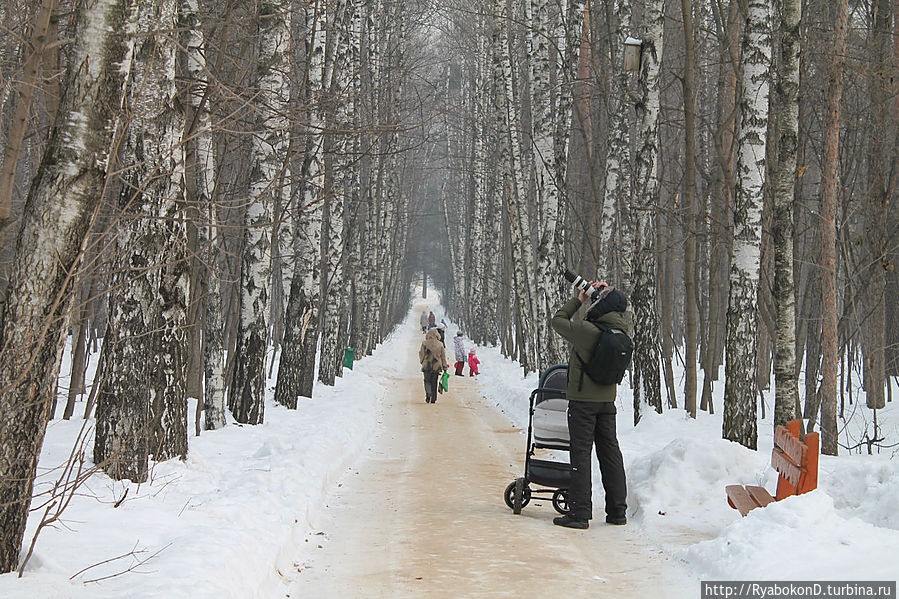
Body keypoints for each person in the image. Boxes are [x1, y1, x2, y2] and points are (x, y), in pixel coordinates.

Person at [549, 280, 632, 529]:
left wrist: (580, 300)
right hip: (607, 403)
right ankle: (618, 512)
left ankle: (580, 513)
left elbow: (558, 320)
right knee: (610, 454)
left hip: (583, 403)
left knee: (581, 455)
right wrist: (602, 296)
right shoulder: (621, 331)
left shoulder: (586, 331)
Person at [419, 328, 447, 404]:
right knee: (434, 382)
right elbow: (443, 356)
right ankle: (433, 398)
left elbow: (421, 354)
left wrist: (422, 361)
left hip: (427, 365)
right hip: (436, 366)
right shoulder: (440, 344)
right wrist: (444, 366)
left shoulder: (424, 343)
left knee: (427, 380)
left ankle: (428, 392)